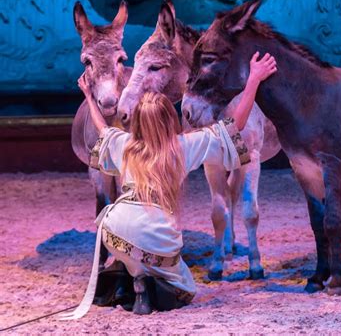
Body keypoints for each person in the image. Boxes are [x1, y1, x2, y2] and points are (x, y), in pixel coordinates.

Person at [60, 52, 277, 319]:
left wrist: (88, 96)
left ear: (138, 121)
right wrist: (253, 80)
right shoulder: (183, 147)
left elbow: (102, 127)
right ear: (169, 119)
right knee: (182, 286)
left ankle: (131, 275)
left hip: (115, 232)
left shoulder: (124, 145)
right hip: (157, 240)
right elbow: (236, 125)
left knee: (131, 250)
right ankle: (145, 282)